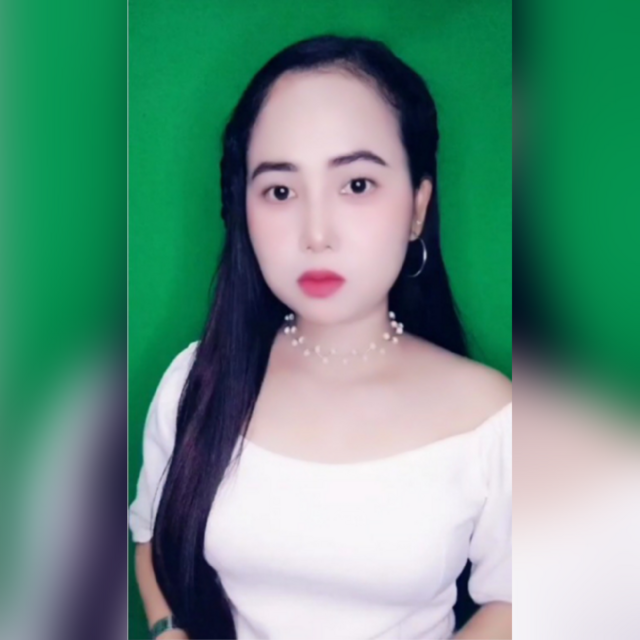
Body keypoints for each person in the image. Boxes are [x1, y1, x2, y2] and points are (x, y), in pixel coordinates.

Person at [129, 35, 512, 640]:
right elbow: (151, 537)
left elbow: (515, 600)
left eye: (356, 185)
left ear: (417, 206)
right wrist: (168, 628)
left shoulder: (490, 416)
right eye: (280, 191)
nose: (316, 233)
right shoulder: (198, 381)